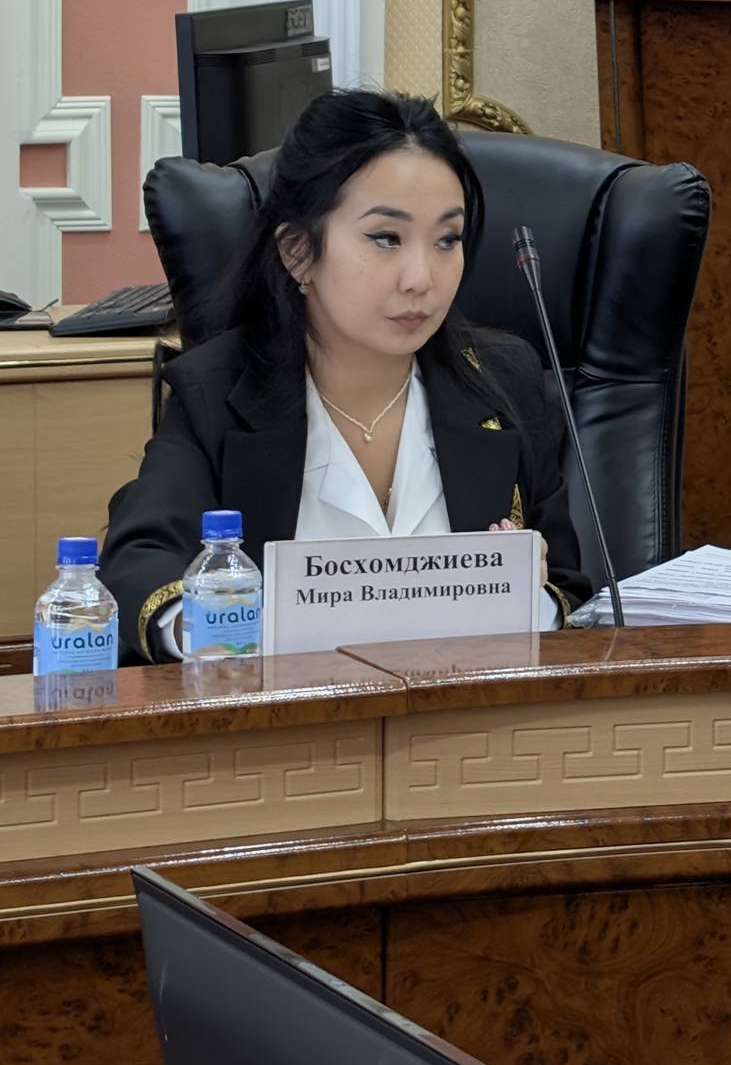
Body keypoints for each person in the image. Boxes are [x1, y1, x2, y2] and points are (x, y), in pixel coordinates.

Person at [102, 93, 588, 660]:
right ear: (298, 253)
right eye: (386, 238)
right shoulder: (217, 389)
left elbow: (570, 590)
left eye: (447, 240)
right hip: (290, 711)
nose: (421, 278)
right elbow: (137, 565)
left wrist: (521, 595)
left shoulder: (503, 382)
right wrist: (224, 629)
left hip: (467, 708)